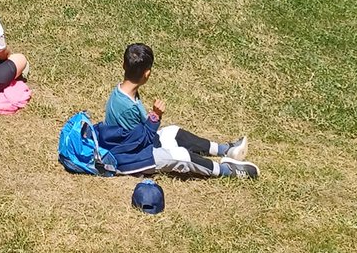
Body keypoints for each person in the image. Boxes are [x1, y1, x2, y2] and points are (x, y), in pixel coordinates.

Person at [103, 43, 257, 178]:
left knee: (173, 132)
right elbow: (140, 141)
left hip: (131, 146)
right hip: (132, 158)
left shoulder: (122, 92)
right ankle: (226, 170)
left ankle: (225, 149)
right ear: (147, 73)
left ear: (124, 65)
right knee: (181, 156)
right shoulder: (127, 107)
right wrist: (155, 117)